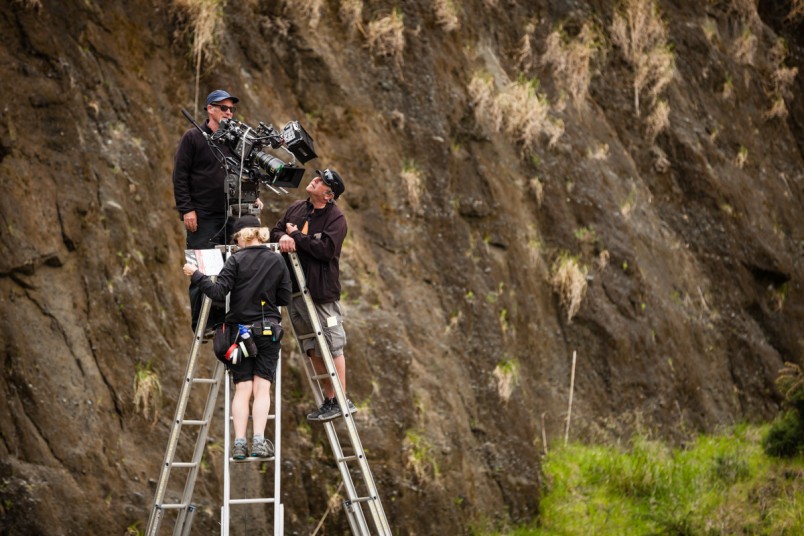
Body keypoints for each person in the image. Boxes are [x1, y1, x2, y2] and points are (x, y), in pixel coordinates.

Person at [183, 215, 291, 459]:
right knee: (263, 388)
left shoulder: (235, 260)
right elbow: (285, 297)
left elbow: (218, 292)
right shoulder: (276, 260)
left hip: (240, 333)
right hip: (268, 332)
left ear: (241, 236)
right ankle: (259, 441)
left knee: (243, 389)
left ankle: (240, 443)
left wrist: (196, 274)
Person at [173, 89, 262, 332]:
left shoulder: (234, 141)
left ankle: (226, 318)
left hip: (232, 215)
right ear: (210, 108)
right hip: (202, 216)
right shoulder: (193, 137)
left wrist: (253, 198)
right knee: (202, 267)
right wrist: (187, 209)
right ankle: (202, 324)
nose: (229, 113)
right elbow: (180, 175)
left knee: (230, 268)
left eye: (232, 109)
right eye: (224, 108)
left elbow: (246, 172)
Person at [270, 168, 355, 422]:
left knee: (332, 343)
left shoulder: (336, 219)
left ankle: (341, 398)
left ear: (328, 195)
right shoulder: (297, 207)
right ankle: (329, 400)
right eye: (317, 177)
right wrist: (284, 236)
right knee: (312, 347)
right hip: (294, 289)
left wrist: (296, 235)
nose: (314, 180)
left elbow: (326, 250)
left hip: (320, 293)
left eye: (321, 181)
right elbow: (275, 231)